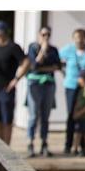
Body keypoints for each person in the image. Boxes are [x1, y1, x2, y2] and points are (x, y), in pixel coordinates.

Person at [0, 21, 29, 145]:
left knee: (7, 120)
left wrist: (16, 80)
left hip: (6, 89)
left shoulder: (13, 47)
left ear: (0, 33)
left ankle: (7, 147)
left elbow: (26, 62)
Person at [25, 25, 62, 157]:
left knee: (45, 116)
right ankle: (30, 143)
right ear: (39, 35)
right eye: (43, 34)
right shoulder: (33, 47)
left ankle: (44, 143)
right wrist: (42, 51)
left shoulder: (54, 50)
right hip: (34, 84)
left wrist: (43, 68)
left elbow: (57, 66)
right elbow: (34, 66)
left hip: (49, 84)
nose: (46, 37)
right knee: (34, 115)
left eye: (48, 35)